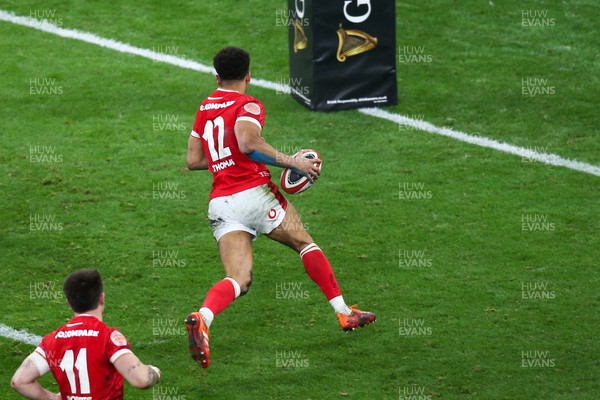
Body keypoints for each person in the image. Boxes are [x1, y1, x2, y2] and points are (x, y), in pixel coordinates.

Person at [185, 47, 375, 369]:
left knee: (239, 278)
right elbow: (248, 143)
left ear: (217, 77)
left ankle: (202, 318)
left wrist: (224, 158)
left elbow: (194, 160)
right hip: (255, 194)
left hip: (222, 203)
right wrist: (293, 162)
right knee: (304, 243)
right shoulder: (248, 104)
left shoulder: (206, 106)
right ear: (248, 75)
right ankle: (344, 312)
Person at [11, 269, 161, 399]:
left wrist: (53, 398)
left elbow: (19, 381)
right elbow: (142, 380)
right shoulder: (108, 337)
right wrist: (154, 372)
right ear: (102, 298)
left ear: (69, 303)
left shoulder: (52, 340)